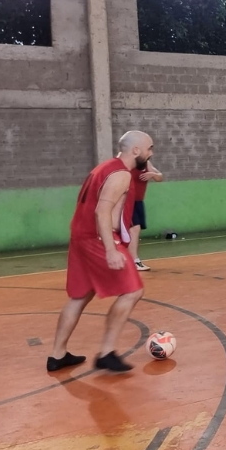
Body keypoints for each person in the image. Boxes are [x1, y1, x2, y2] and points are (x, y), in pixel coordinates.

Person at [46, 131, 153, 374]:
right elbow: (101, 212)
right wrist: (110, 249)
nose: (151, 153)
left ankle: (57, 355)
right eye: (149, 148)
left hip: (81, 235)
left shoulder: (103, 168)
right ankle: (106, 353)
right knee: (133, 291)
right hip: (98, 238)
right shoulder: (121, 174)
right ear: (136, 150)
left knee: (80, 296)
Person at [126, 157, 164, 271]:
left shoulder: (147, 164)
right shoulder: (129, 163)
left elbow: (160, 177)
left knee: (135, 230)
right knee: (134, 228)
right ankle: (134, 261)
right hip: (127, 201)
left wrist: (152, 174)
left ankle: (129, 259)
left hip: (138, 202)